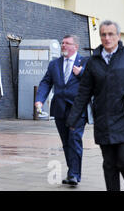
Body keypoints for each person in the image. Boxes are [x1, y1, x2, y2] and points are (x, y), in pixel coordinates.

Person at [67, 20, 124, 191]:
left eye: (111, 34)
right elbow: (84, 92)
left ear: (118, 36)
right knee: (109, 164)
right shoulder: (93, 62)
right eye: (103, 34)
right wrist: (73, 119)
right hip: (104, 120)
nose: (107, 38)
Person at [34, 35, 87, 186]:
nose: (63, 45)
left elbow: (95, 81)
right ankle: (72, 171)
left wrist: (81, 73)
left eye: (67, 43)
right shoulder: (54, 64)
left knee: (74, 139)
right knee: (66, 142)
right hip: (60, 109)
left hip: (77, 110)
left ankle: (74, 175)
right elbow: (46, 82)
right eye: (62, 43)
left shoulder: (84, 62)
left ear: (75, 47)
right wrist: (40, 100)